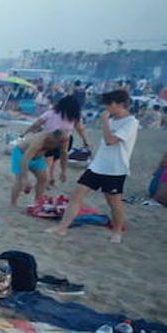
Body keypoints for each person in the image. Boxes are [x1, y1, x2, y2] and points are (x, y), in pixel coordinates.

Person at [49, 89, 139, 243]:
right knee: (76, 195)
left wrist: (105, 121)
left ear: (121, 104)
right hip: (97, 166)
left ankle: (117, 232)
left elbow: (111, 141)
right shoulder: (111, 120)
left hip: (115, 169)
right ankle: (62, 228)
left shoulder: (131, 122)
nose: (107, 108)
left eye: (109, 104)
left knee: (114, 202)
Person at [25, 95, 89, 187]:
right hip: (65, 140)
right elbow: (80, 129)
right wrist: (85, 141)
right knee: (56, 160)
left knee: (48, 161)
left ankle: (47, 180)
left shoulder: (51, 113)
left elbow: (37, 124)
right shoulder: (74, 116)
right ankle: (53, 177)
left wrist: (26, 132)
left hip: (50, 139)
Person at [10, 130, 63, 208]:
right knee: (20, 180)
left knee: (43, 178)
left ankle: (37, 203)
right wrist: (25, 179)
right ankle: (13, 203)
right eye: (50, 142)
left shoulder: (61, 141)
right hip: (21, 155)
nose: (50, 145)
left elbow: (63, 154)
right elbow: (25, 160)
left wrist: (64, 171)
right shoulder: (38, 142)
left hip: (38, 158)